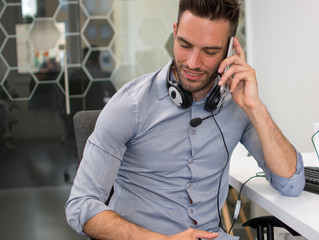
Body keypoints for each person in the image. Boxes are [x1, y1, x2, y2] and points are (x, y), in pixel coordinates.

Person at [65, 0, 305, 239]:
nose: (192, 62)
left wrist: (255, 108)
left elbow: (291, 184)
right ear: (175, 32)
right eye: (184, 45)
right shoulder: (131, 104)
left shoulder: (238, 106)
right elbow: (81, 205)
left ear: (230, 50)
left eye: (209, 52)